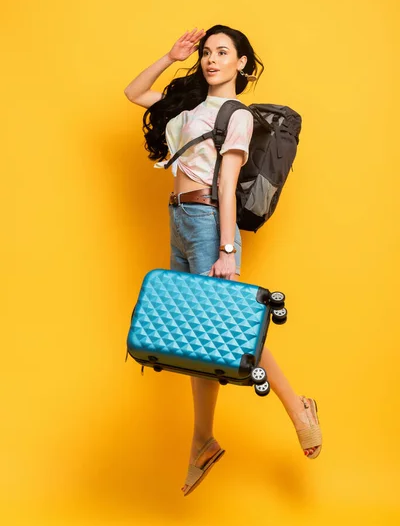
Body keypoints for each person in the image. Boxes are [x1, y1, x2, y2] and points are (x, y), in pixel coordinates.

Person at [124, 24, 322, 497]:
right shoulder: (188, 108)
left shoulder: (236, 116)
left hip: (211, 221)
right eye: (207, 52)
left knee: (230, 324)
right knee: (198, 336)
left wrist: (229, 249)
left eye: (223, 53)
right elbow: (134, 92)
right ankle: (203, 439)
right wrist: (172, 55)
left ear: (242, 65)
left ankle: (298, 409)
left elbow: (229, 181)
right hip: (180, 220)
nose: (211, 60)